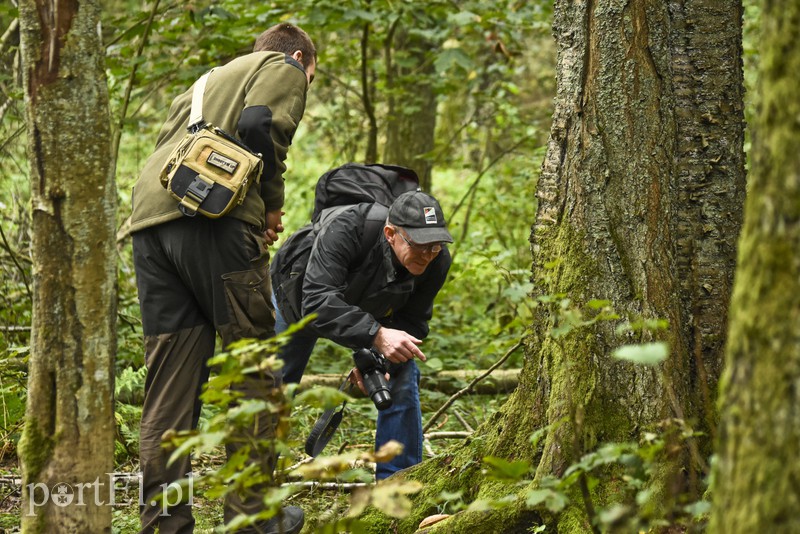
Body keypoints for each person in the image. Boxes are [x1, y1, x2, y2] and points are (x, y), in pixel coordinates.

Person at [129, 23, 316, 534]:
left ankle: (163, 525)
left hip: (149, 226)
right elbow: (259, 124)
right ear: (300, 56)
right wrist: (271, 205)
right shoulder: (285, 66)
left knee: (169, 382)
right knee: (253, 368)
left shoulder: (202, 84)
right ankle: (252, 522)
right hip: (215, 223)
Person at [271, 189, 453, 479]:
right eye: (420, 245)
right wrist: (376, 335)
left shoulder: (436, 261)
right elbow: (317, 301)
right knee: (275, 381)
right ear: (391, 233)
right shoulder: (349, 228)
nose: (428, 254)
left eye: (435, 246)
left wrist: (378, 361)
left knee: (403, 369)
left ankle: (397, 483)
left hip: (369, 304)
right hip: (298, 300)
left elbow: (414, 321)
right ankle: (252, 483)